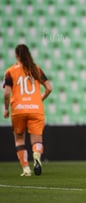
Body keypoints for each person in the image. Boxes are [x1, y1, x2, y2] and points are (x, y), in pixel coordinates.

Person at [3, 44, 52, 176]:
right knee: (37, 140)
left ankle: (26, 169)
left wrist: (6, 109)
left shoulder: (10, 71)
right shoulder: (36, 69)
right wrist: (39, 99)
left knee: (19, 139)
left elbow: (7, 94)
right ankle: (36, 157)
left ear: (16, 55)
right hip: (36, 109)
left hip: (18, 109)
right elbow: (49, 88)